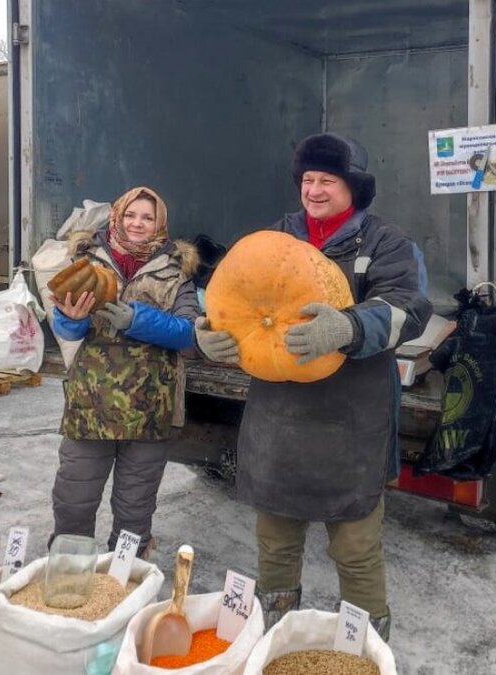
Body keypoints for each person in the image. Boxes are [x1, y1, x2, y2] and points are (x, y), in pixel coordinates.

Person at [195, 134, 432, 641]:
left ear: (354, 188)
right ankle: (276, 643)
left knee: (355, 549)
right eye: (308, 180)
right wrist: (209, 331)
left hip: (352, 423)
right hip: (277, 423)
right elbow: (227, 295)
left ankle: (359, 650)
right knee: (275, 546)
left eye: (327, 180)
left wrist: (349, 327)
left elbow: (409, 311)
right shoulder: (274, 236)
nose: (315, 190)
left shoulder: (386, 244)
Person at [48, 186, 200, 558]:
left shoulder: (177, 271)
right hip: (91, 405)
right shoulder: (88, 260)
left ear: (159, 224)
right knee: (74, 499)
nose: (138, 223)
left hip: (151, 408)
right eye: (131, 215)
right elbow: (68, 330)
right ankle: (69, 572)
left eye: (147, 218)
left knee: (135, 508)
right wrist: (70, 320)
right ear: (117, 216)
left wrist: (137, 319)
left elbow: (188, 335)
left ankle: (124, 579)